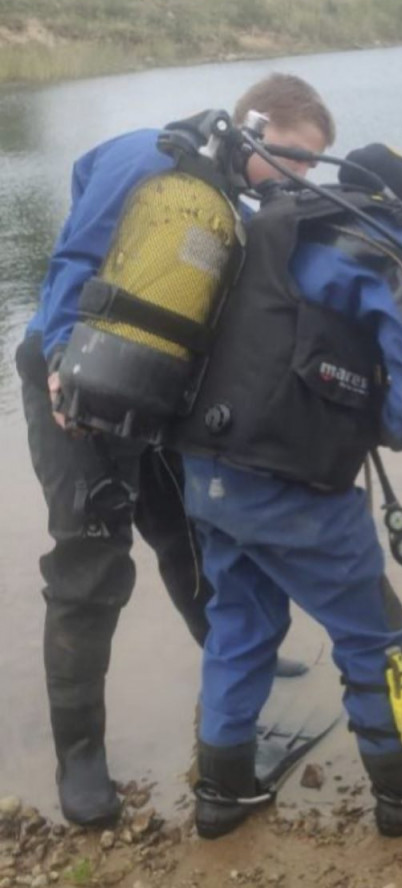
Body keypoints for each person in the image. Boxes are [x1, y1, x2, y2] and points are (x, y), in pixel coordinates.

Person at [16, 73, 333, 828]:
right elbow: (72, 256)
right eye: (291, 156)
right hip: (74, 380)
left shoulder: (232, 200)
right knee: (89, 565)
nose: (301, 176)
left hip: (155, 391)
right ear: (252, 125)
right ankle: (81, 756)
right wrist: (63, 362)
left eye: (313, 164)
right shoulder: (147, 158)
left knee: (188, 534)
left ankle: (229, 662)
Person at [172, 145, 402, 839]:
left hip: (206, 468)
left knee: (241, 623)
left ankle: (222, 791)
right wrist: (390, 423)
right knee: (375, 632)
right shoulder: (389, 251)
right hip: (292, 485)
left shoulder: (288, 220)